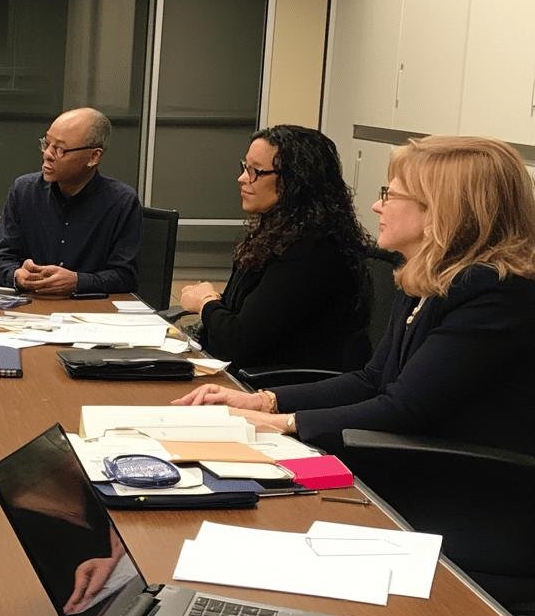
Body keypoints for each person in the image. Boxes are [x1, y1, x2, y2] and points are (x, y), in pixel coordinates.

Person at [174, 135, 535, 456]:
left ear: (442, 211)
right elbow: (372, 379)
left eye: (390, 195)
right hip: (407, 461)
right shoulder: (427, 277)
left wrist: (282, 423)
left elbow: (402, 408)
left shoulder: (492, 292)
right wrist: (263, 401)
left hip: (456, 483)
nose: (377, 206)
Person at [177, 125, 373, 372]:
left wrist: (205, 302)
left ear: (296, 181)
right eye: (244, 167)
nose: (243, 178)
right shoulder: (273, 235)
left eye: (256, 171)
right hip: (246, 376)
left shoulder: (313, 249)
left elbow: (236, 344)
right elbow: (233, 322)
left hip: (278, 387)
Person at [0, 107, 142, 295]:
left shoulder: (121, 202)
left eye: (59, 149)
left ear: (93, 157)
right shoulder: (24, 191)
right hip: (30, 307)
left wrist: (78, 281)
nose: (47, 154)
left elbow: (126, 276)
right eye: (47, 143)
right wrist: (17, 275)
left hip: (92, 312)